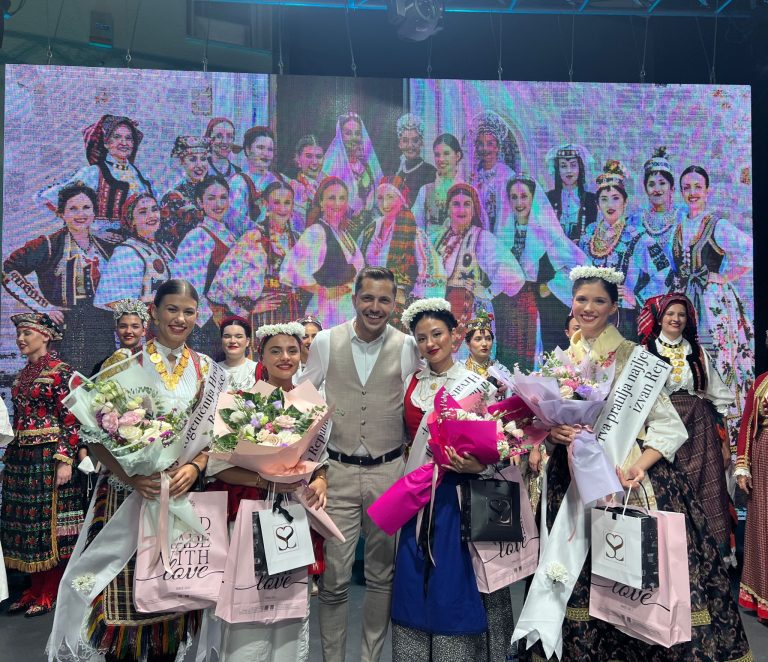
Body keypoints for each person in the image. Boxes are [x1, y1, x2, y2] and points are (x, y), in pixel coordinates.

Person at [514, 265, 752, 662]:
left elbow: (669, 426)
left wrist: (640, 465)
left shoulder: (634, 358)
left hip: (627, 480)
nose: (589, 308)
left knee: (633, 576)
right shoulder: (560, 359)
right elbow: (542, 424)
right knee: (575, 576)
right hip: (571, 483)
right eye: (582, 299)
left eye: (599, 301)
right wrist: (554, 433)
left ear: (614, 308)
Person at [48, 278, 229, 662]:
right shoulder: (122, 366)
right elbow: (94, 435)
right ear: (154, 312)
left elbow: (221, 437)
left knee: (175, 604)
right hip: (128, 499)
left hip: (182, 497)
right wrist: (131, 476)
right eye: (172, 309)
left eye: (189, 312)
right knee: (122, 609)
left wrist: (196, 466)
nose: (180, 318)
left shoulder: (209, 371)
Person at [300, 266, 421, 662]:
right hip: (337, 474)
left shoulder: (407, 346)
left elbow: (416, 404)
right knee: (334, 578)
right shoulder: (325, 342)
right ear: (354, 299)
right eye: (368, 298)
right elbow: (305, 402)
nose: (375, 307)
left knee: (381, 576)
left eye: (384, 300)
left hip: (389, 473)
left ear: (394, 304)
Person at [391, 298, 514, 661]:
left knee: (461, 582)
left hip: (463, 497)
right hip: (419, 494)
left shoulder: (477, 384)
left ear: (454, 336)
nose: (430, 343)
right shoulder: (411, 382)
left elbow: (501, 444)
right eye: (422, 338)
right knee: (414, 577)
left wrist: (477, 466)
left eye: (437, 334)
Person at [207, 320, 328, 661]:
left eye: (292, 350)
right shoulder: (240, 403)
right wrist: (265, 481)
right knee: (248, 601)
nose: (285, 357)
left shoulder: (313, 404)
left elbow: (320, 461)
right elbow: (218, 466)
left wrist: (321, 480)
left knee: (291, 605)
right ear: (261, 355)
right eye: (276, 351)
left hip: (293, 515)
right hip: (249, 512)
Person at [638, 293, 733, 554]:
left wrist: (725, 445)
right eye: (670, 314)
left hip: (701, 430)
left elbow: (719, 399)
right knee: (669, 491)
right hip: (661, 429)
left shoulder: (698, 353)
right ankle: (675, 557)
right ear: (659, 319)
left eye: (681, 314)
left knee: (707, 490)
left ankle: (711, 556)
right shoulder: (644, 353)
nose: (676, 319)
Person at [1, 313, 82, 617]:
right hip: (22, 458)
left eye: (27, 333)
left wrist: (65, 459)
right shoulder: (21, 375)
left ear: (45, 336)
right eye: (19, 334)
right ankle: (33, 588)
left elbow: (72, 420)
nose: (20, 339)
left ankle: (51, 589)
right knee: (26, 525)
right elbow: (19, 420)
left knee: (49, 525)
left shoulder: (62, 372)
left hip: (49, 457)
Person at [3, 183, 117, 372]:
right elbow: (8, 270)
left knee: (104, 381)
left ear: (94, 212)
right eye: (73, 208)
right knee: (67, 383)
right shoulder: (50, 244)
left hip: (103, 330)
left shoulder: (105, 244)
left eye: (86, 207)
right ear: (61, 214)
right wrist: (43, 306)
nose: (81, 214)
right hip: (67, 331)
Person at [672, 164, 753, 413]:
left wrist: (725, 276)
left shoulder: (717, 225)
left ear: (707, 190)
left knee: (717, 355)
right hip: (687, 300)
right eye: (687, 188)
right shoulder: (679, 227)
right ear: (681, 192)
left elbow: (750, 250)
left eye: (698, 187)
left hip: (713, 302)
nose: (692, 192)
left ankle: (724, 418)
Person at [493, 174, 586, 370]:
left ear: (533, 198)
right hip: (508, 310)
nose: (519, 203)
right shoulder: (503, 232)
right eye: (514, 197)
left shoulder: (547, 231)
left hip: (538, 309)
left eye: (524, 196)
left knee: (536, 361)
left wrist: (551, 286)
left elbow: (581, 267)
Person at [579, 160, 671, 340]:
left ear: (625, 202)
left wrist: (635, 297)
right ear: (597, 204)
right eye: (604, 199)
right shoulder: (588, 236)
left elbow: (665, 274)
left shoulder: (638, 237)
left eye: (615, 198)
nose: (610, 205)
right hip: (590, 315)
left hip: (624, 318)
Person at [433, 182, 525, 355]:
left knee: (469, 361)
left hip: (472, 311)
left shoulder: (482, 239)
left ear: (474, 209)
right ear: (448, 208)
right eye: (456, 204)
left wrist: (488, 292)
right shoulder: (437, 238)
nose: (461, 209)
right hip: (441, 310)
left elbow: (514, 274)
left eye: (467, 204)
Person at [209, 180, 304, 333]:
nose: (282, 208)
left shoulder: (298, 239)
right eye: (276, 202)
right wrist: (251, 307)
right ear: (266, 205)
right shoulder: (254, 237)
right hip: (264, 319)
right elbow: (221, 283)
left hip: (294, 314)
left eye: (287, 203)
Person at [37, 114, 154, 234]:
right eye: (117, 137)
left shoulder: (142, 178)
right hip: (101, 241)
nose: (124, 143)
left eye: (129, 138)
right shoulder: (93, 173)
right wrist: (93, 231)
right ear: (106, 143)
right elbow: (47, 198)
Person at [359, 176, 445, 331]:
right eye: (380, 198)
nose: (385, 204)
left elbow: (431, 272)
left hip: (397, 305)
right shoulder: (371, 229)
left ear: (402, 199)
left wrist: (412, 302)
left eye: (390, 197)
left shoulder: (413, 232)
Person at [280, 177, 364, 330]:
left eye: (342, 198)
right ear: (321, 202)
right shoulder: (317, 232)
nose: (337, 203)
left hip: (347, 310)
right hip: (328, 312)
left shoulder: (344, 233)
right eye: (332, 198)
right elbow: (291, 270)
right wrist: (324, 292)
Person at [172, 175, 236, 355]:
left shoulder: (229, 235)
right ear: (200, 202)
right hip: (207, 326)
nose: (218, 204)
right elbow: (187, 290)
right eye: (211, 198)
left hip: (228, 321)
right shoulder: (197, 237)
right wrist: (212, 319)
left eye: (223, 197)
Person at [542, 144, 597, 353]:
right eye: (563, 166)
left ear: (581, 168)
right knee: (555, 338)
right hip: (554, 277)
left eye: (573, 165)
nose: (568, 171)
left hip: (583, 275)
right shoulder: (548, 199)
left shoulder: (592, 200)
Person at [94, 193, 174, 310]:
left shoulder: (164, 249)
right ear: (132, 221)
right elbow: (111, 301)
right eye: (143, 212)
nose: (151, 215)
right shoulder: (125, 252)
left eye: (154, 209)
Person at [736, 364, 768, 622]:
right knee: (763, 525)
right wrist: (743, 466)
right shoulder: (761, 382)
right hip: (763, 457)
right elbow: (747, 423)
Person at [321, 112, 383, 237]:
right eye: (348, 133)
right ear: (340, 136)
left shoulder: (368, 166)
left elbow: (379, 199)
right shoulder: (330, 166)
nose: (354, 138)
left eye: (357, 133)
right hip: (339, 230)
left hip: (369, 230)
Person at [226, 126, 287, 239]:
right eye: (260, 148)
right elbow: (235, 222)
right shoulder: (238, 182)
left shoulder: (279, 179)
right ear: (248, 150)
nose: (266, 154)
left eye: (270, 150)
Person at [633, 147, 686, 271]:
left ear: (672, 188)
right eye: (651, 184)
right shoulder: (637, 221)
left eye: (662, 183)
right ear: (646, 190)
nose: (657, 189)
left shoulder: (683, 217)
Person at [158, 136, 212, 249]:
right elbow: (166, 241)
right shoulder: (172, 198)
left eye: (203, 159)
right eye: (192, 159)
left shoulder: (214, 191)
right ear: (182, 162)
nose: (199, 165)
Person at [466, 111, 516, 233]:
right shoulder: (474, 177)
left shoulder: (508, 176)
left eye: (490, 144)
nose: (485, 149)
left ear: (498, 147)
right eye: (480, 144)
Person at [412, 133, 465, 240]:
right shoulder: (425, 190)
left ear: (457, 156)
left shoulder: (467, 190)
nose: (441, 159)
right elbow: (416, 227)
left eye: (446, 154)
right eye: (437, 155)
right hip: (430, 247)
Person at [90, 298, 149, 376]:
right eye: (123, 326)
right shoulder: (103, 367)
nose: (128, 331)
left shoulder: (154, 364)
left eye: (135, 326)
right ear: (116, 329)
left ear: (144, 331)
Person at [392, 113, 436, 207]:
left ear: (421, 142)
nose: (410, 146)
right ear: (399, 144)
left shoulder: (431, 172)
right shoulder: (398, 174)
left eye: (415, 140)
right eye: (405, 141)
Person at [291, 134, 325, 224]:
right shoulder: (292, 188)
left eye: (319, 157)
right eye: (309, 156)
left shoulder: (330, 186)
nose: (314, 162)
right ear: (298, 159)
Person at [218, 315, 258, 391]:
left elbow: (267, 397)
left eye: (238, 337)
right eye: (227, 336)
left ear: (247, 341)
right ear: (221, 340)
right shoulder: (211, 370)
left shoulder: (259, 370)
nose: (232, 341)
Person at [297, 314, 323, 379]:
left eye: (315, 336)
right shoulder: (289, 366)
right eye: (305, 337)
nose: (310, 341)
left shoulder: (327, 366)